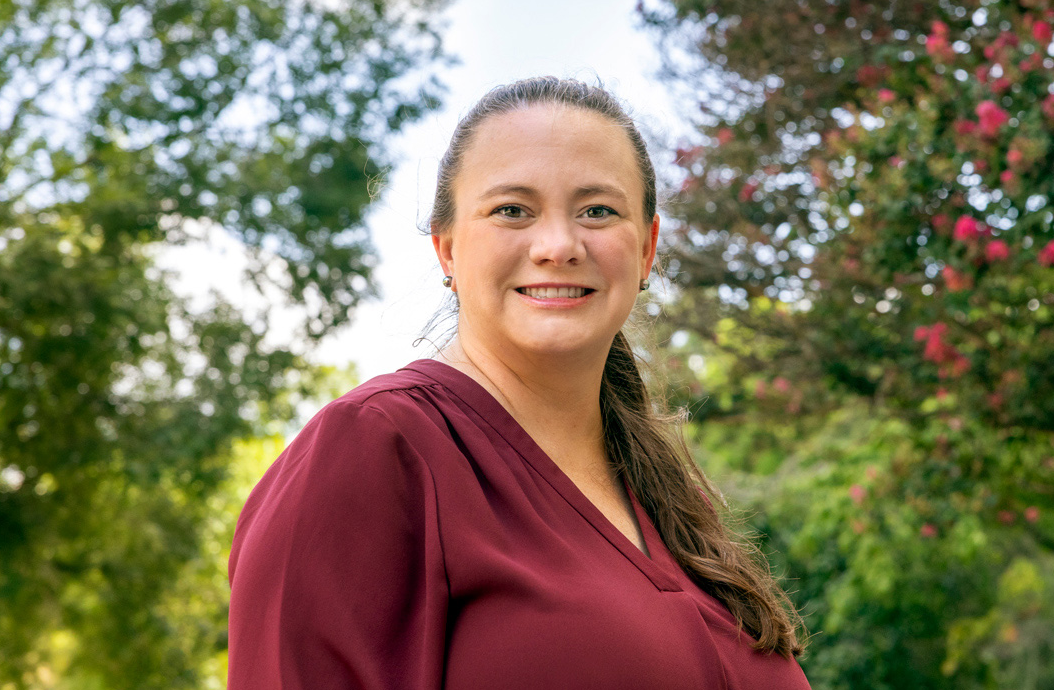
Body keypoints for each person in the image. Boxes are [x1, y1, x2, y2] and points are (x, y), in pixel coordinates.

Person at [226, 77, 811, 689]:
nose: (558, 245)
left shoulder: (664, 498)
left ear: (646, 251)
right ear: (447, 249)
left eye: (598, 211)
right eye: (512, 210)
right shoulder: (372, 447)